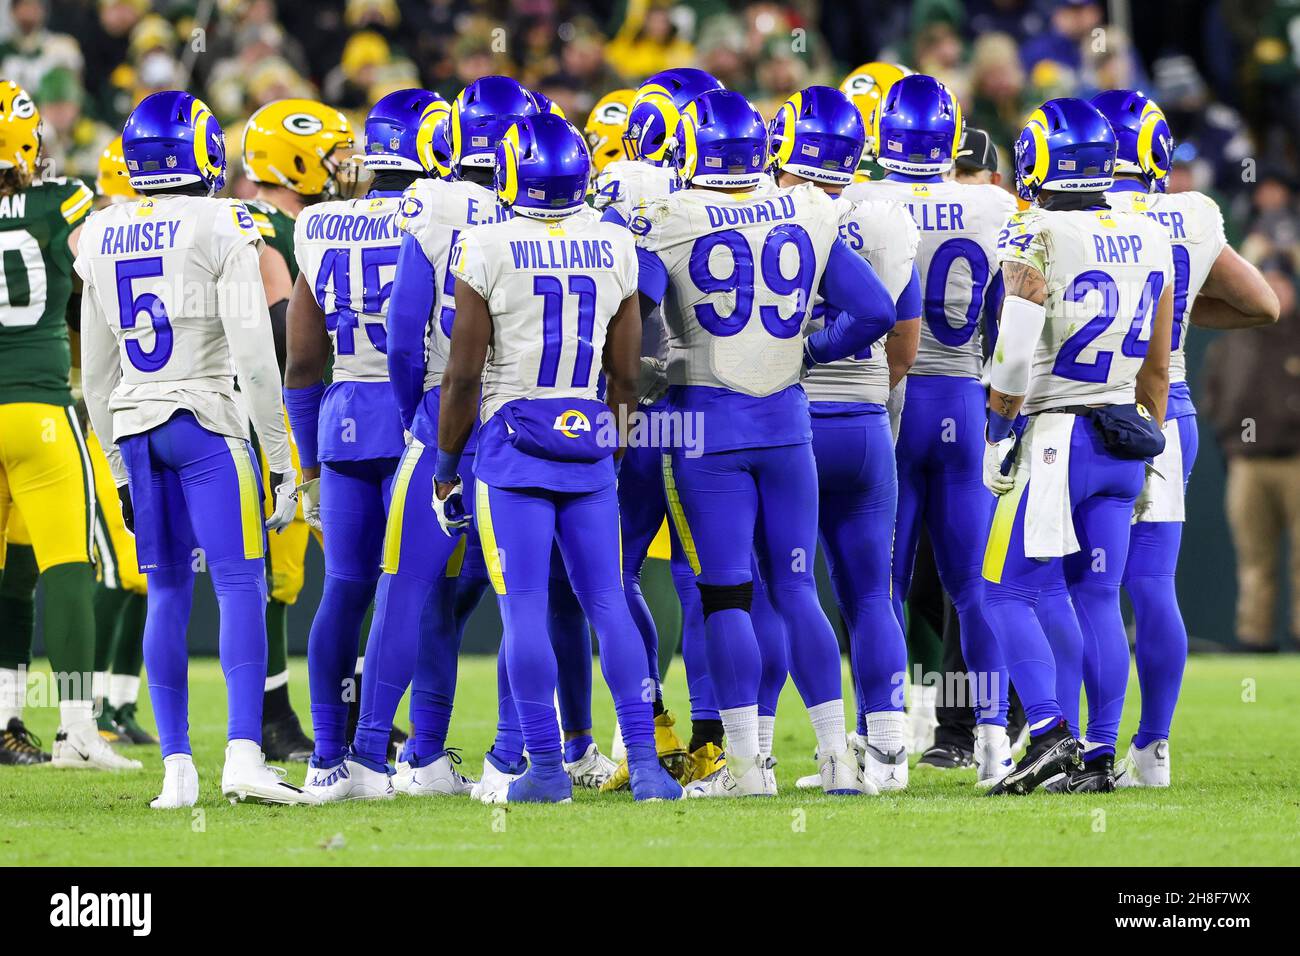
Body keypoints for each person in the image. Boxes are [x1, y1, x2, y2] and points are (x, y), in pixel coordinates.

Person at [634, 88, 899, 797]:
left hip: (707, 432)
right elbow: (875, 309)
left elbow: (635, 330)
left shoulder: (669, 216)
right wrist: (809, 353)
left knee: (727, 599)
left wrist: (640, 385)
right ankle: (840, 759)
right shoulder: (807, 208)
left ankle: (748, 768)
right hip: (788, 428)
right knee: (800, 589)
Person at [435, 111, 683, 805]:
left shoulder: (485, 245)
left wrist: (446, 467)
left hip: (514, 444)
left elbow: (460, 377)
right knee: (607, 604)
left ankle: (545, 770)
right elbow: (627, 375)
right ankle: (650, 770)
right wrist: (614, 442)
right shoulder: (614, 245)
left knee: (524, 612)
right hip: (588, 441)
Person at [77, 90, 312, 808]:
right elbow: (253, 350)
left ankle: (178, 771)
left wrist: (116, 463)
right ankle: (244, 756)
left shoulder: (103, 231)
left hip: (136, 429)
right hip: (207, 421)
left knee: (168, 594)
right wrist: (279, 456)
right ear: (202, 151)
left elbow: (95, 373)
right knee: (240, 585)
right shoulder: (224, 222)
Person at [385, 76, 609, 798]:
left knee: (426, 595)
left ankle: (411, 753)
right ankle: (526, 753)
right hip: (549, 430)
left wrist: (417, 425)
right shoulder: (585, 217)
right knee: (538, 598)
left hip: (451, 423)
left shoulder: (436, 206)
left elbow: (404, 339)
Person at [981, 96, 1174, 796]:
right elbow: (1158, 365)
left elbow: (1011, 359)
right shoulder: (1148, 233)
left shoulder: (1034, 230)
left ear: (1037, 156)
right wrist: (1149, 445)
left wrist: (998, 433)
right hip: (1125, 432)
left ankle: (1049, 733)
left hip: (1059, 435)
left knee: (1003, 593)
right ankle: (1098, 757)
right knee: (1097, 597)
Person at [1093, 89, 1278, 787]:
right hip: (1170, 412)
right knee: (1153, 584)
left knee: (1087, 586)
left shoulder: (1073, 213)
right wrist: (1180, 320)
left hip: (1092, 412)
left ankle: (1088, 743)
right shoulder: (1192, 214)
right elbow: (1263, 304)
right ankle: (1154, 748)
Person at [282, 89, 456, 801]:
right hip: (420, 416)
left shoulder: (318, 223)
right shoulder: (446, 216)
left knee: (344, 593)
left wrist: (308, 463)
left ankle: (329, 758)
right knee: (419, 593)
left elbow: (300, 359)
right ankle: (401, 755)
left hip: (343, 416)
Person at [843, 74, 1017, 787]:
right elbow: (1011, 320)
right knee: (974, 587)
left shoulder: (859, 201)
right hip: (965, 399)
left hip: (893, 397)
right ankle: (995, 743)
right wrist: (1007, 416)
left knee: (880, 585)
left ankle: (875, 745)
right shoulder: (997, 203)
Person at [767, 85, 922, 792]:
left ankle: (797, 751)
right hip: (863, 422)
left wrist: (808, 355)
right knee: (871, 595)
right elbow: (903, 341)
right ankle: (889, 757)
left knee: (784, 591)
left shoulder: (771, 211)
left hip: (791, 422)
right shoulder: (890, 217)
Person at [593, 67, 726, 788]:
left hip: (645, 408)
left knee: (618, 573)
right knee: (702, 578)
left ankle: (653, 732)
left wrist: (620, 401)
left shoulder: (635, 190)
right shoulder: (724, 193)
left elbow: (637, 318)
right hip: (708, 409)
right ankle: (706, 741)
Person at [0, 80, 138, 772]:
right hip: (39, 407)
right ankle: (78, 730)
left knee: (8, 575)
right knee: (67, 566)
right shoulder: (60, 202)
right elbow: (102, 270)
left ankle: (2, 720)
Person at [241, 96, 357, 761]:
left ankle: (351, 709)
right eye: (332, 154)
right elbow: (286, 332)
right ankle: (273, 715)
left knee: (348, 561)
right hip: (281, 411)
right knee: (280, 572)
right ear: (295, 157)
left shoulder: (309, 223)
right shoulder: (265, 225)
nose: (344, 166)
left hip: (307, 406)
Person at [1202, 262, 1298, 653]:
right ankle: (1254, 638)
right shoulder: (1233, 340)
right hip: (1247, 462)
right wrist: (1230, 438)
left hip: (1295, 459)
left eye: (1280, 286)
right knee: (1254, 557)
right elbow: (1213, 397)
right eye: (1266, 284)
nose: (1274, 292)